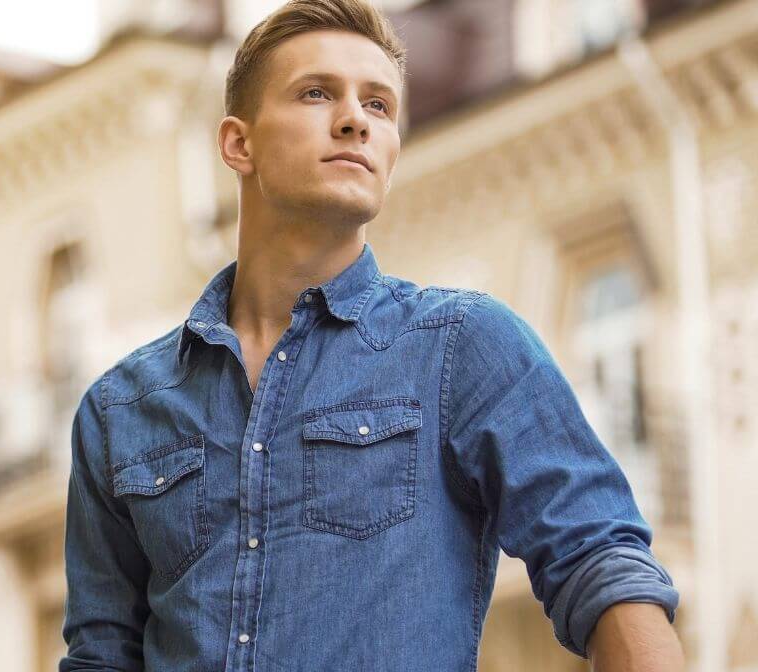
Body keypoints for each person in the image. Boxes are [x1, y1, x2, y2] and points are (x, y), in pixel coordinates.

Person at [60, 1, 683, 670]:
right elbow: (102, 652)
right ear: (238, 143)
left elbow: (600, 562)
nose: (356, 119)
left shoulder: (462, 346)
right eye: (317, 93)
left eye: (380, 106)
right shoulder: (119, 412)